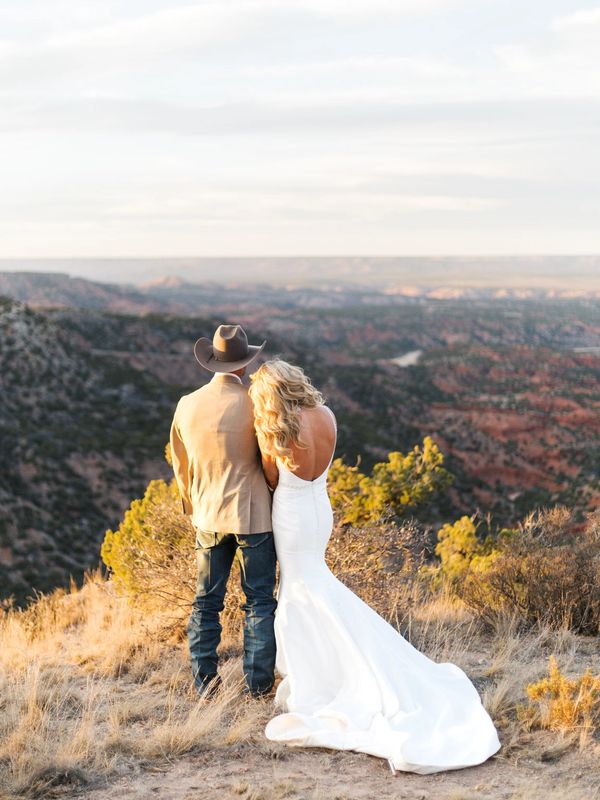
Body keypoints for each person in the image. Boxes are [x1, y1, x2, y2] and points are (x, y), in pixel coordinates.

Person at [248, 358, 501, 775]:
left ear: (269, 396)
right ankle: (332, 661)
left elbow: (272, 480)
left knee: (297, 590)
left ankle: (318, 677)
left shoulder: (276, 430)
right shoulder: (325, 416)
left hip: (291, 514)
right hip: (320, 508)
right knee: (317, 583)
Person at [169, 324, 276, 698]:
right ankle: (259, 686)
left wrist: (193, 504)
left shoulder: (186, 405)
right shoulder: (256, 404)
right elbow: (271, 461)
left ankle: (204, 686)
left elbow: (180, 466)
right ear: (244, 365)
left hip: (208, 516)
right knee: (259, 602)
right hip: (254, 516)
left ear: (212, 362)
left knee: (206, 602)